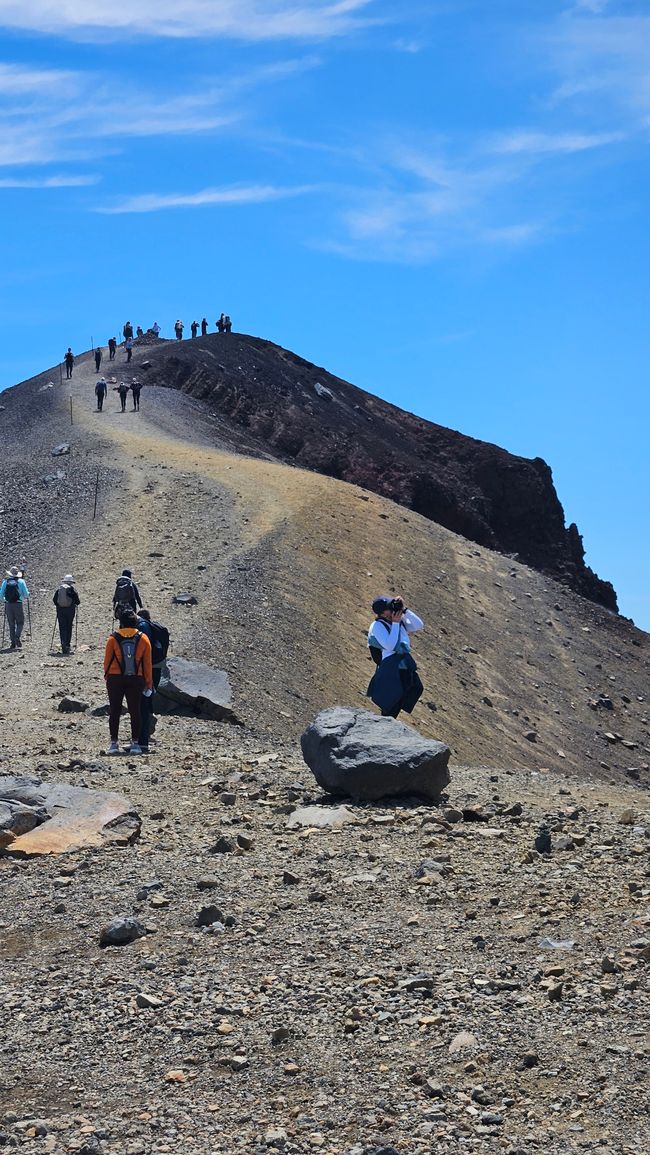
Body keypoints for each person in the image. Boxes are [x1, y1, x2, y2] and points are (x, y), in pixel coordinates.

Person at [104, 608, 153, 755]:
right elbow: (147, 664)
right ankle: (136, 744)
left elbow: (107, 661)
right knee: (135, 710)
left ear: (121, 622)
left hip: (115, 678)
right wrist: (148, 683)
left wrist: (107, 675)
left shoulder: (112, 638)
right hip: (136, 678)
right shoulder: (143, 638)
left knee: (115, 710)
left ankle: (114, 743)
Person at [367, 595, 424, 718]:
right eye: (389, 607)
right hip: (390, 665)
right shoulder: (377, 626)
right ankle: (384, 725)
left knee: (415, 687)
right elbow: (390, 646)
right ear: (382, 613)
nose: (392, 609)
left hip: (402, 663)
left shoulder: (397, 621)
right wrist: (396, 624)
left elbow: (419, 625)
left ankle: (388, 723)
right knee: (392, 700)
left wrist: (405, 610)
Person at [135, 608, 169, 753]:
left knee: (143, 699)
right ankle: (148, 725)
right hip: (158, 664)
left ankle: (144, 732)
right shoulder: (158, 628)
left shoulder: (142, 628)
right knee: (150, 694)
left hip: (147, 667)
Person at [1, 566, 30, 651]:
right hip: (18, 604)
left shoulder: (5, 582)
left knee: (11, 624)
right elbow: (26, 594)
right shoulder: (21, 581)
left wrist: (5, 600)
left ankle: (13, 643)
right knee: (20, 622)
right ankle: (17, 636)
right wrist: (28, 595)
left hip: (9, 604)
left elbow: (1, 594)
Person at [53, 574, 79, 654]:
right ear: (71, 582)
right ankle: (67, 644)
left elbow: (54, 600)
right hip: (70, 610)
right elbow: (78, 602)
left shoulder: (59, 589)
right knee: (69, 627)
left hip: (60, 610)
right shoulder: (72, 589)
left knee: (62, 627)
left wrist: (59, 606)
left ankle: (63, 643)